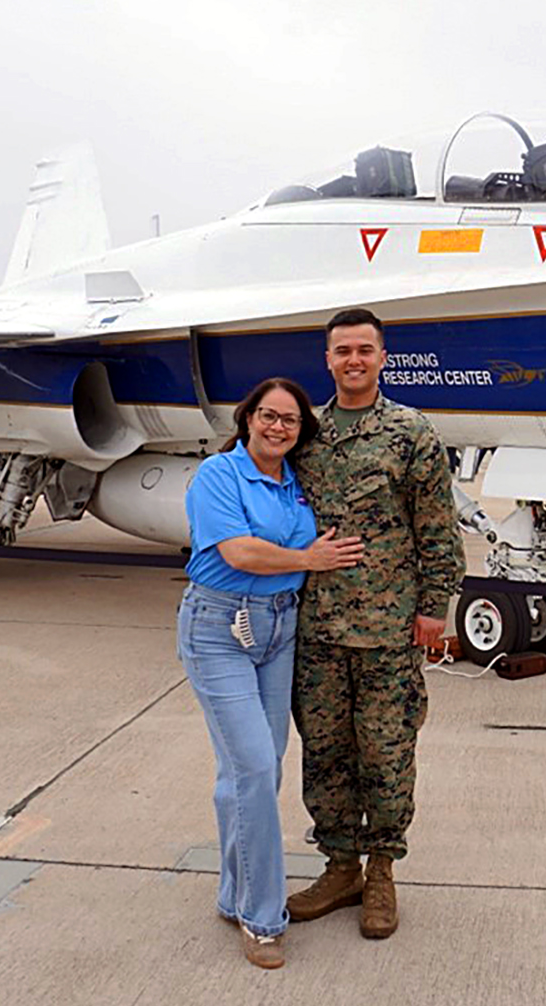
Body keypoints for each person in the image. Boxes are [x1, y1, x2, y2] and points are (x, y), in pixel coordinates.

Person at [287, 308, 465, 939]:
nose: (353, 360)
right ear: (328, 359)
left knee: (387, 754)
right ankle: (339, 867)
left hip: (390, 628)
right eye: (342, 351)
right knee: (326, 752)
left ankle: (382, 869)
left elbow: (437, 527)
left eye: (365, 349)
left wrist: (434, 608)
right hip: (318, 629)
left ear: (382, 357)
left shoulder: (408, 432)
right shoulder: (303, 433)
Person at [178, 376, 364, 969]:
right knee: (255, 766)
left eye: (290, 419)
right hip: (219, 630)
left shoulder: (294, 485)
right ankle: (262, 919)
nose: (278, 426)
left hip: (280, 629)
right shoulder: (218, 476)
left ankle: (233, 895)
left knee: (252, 770)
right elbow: (238, 552)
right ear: (248, 418)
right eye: (268, 415)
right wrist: (310, 559)